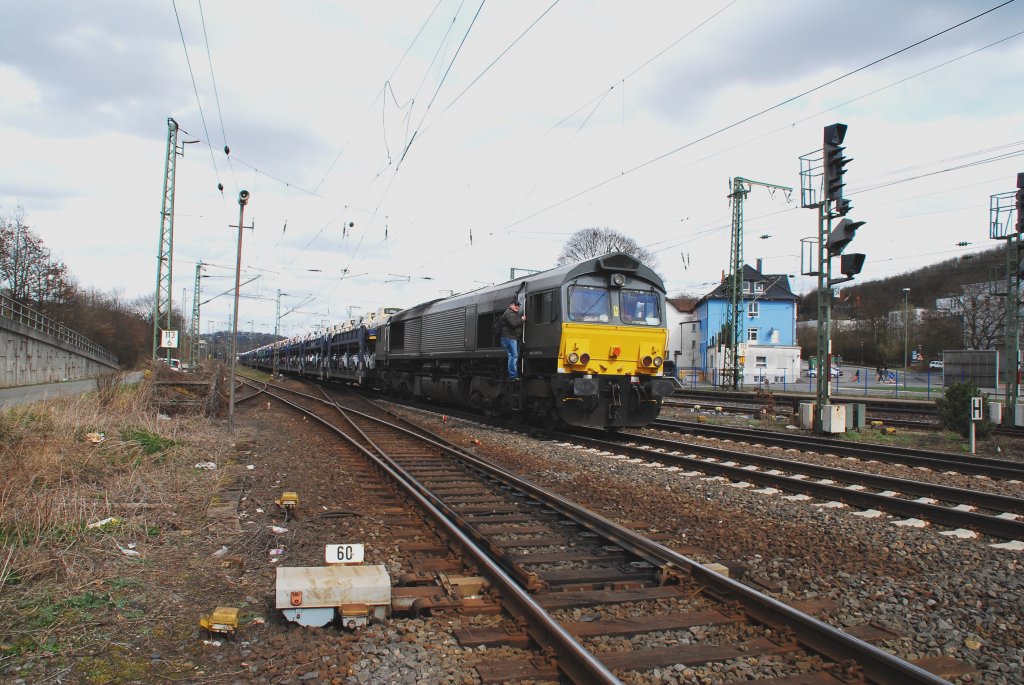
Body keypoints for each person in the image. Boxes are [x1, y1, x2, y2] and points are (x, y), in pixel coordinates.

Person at [499, 300, 526, 380]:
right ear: (511, 305)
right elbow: (514, 323)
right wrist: (522, 319)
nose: (517, 306)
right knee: (513, 356)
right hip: (509, 338)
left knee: (515, 356)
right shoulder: (508, 313)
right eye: (516, 305)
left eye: (518, 305)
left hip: (514, 338)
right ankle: (512, 376)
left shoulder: (514, 314)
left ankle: (515, 375)